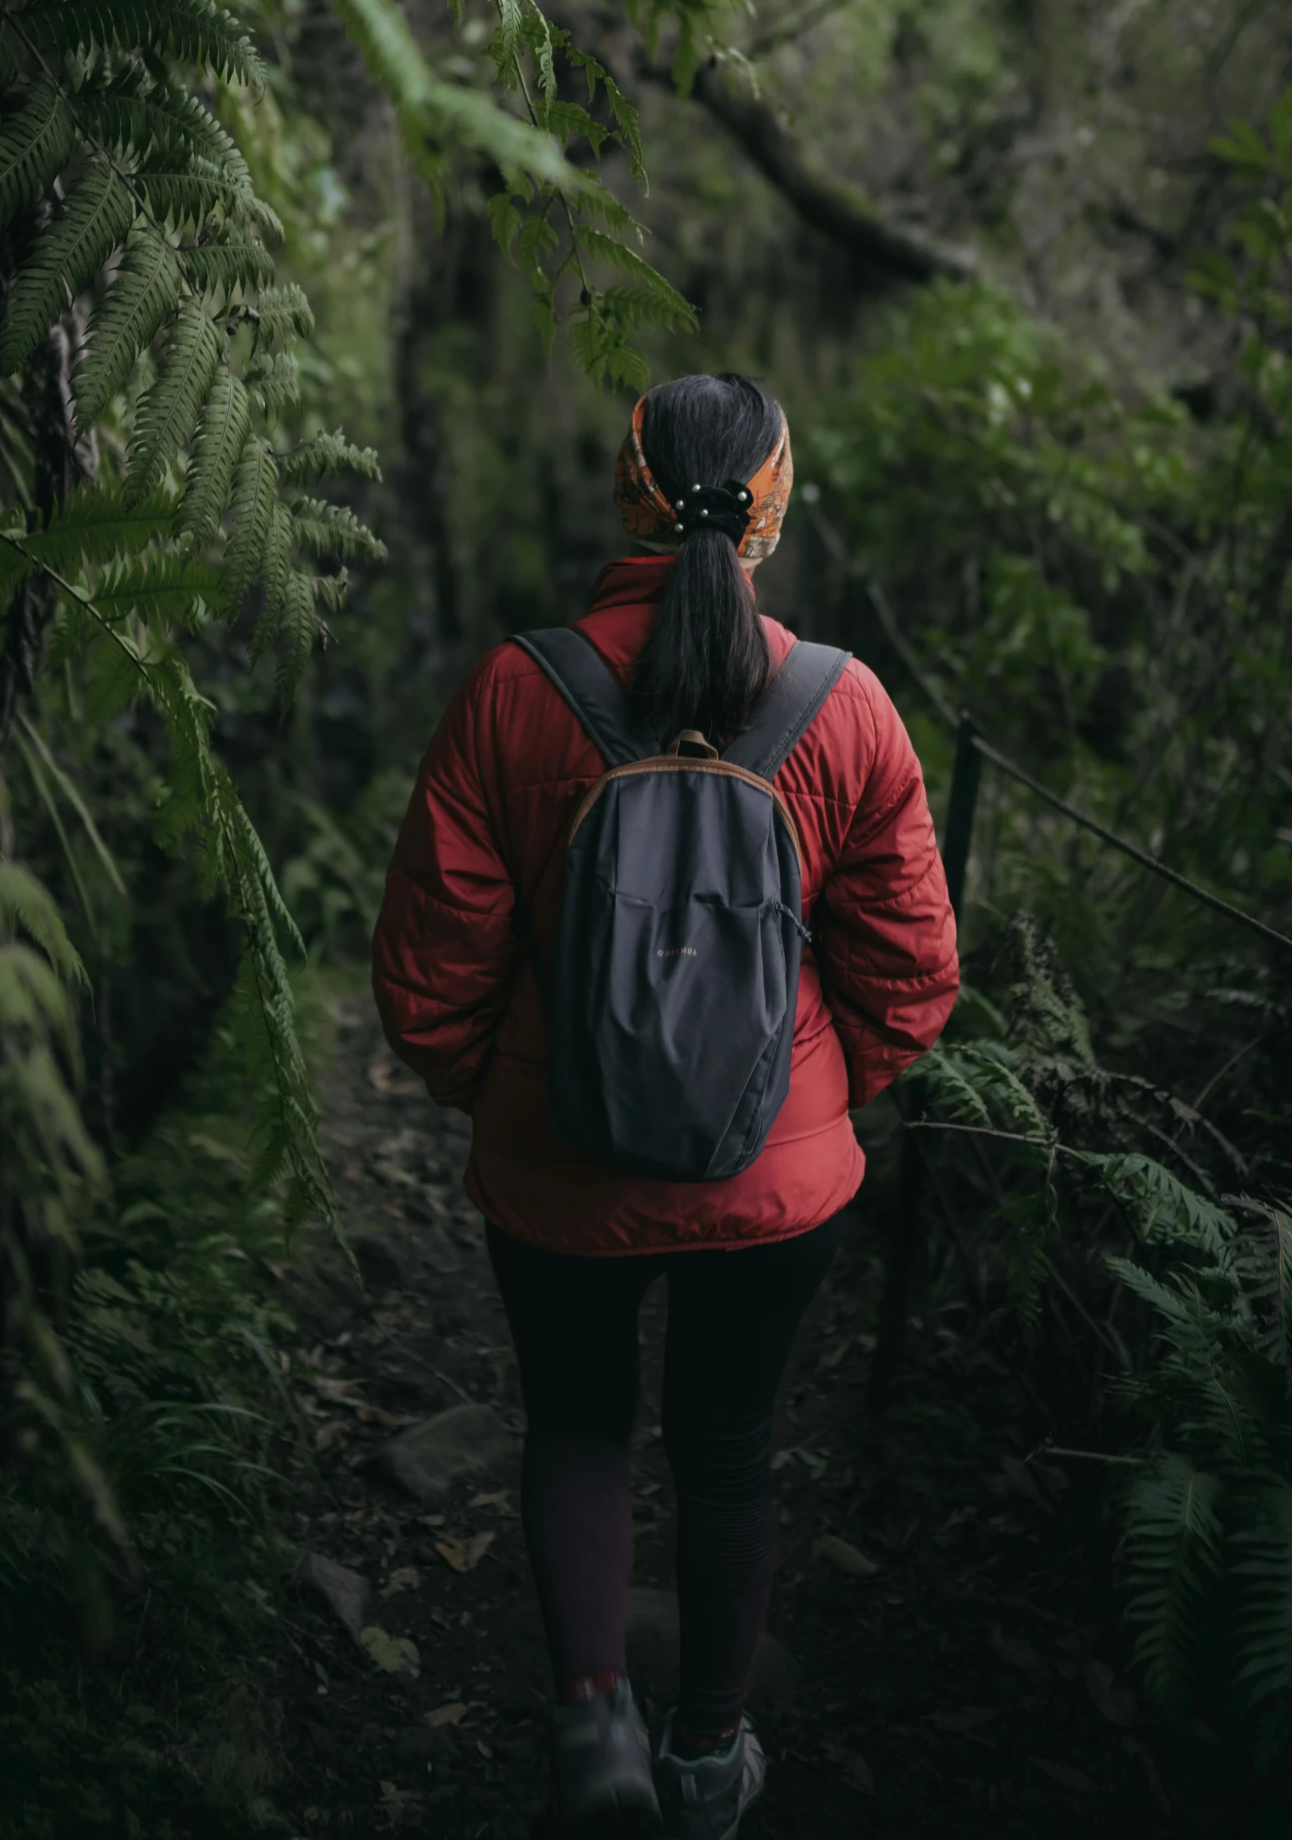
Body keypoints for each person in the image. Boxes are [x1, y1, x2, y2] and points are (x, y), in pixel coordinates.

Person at [372, 374, 958, 1838]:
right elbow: (910, 975)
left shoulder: (519, 689)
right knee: (731, 1447)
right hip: (778, 1185)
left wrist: (508, 1095)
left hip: (557, 1173)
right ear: (771, 511)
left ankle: (592, 1728)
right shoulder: (845, 706)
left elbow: (430, 965)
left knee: (575, 1428)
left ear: (627, 499)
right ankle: (707, 1756)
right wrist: (806, 1100)